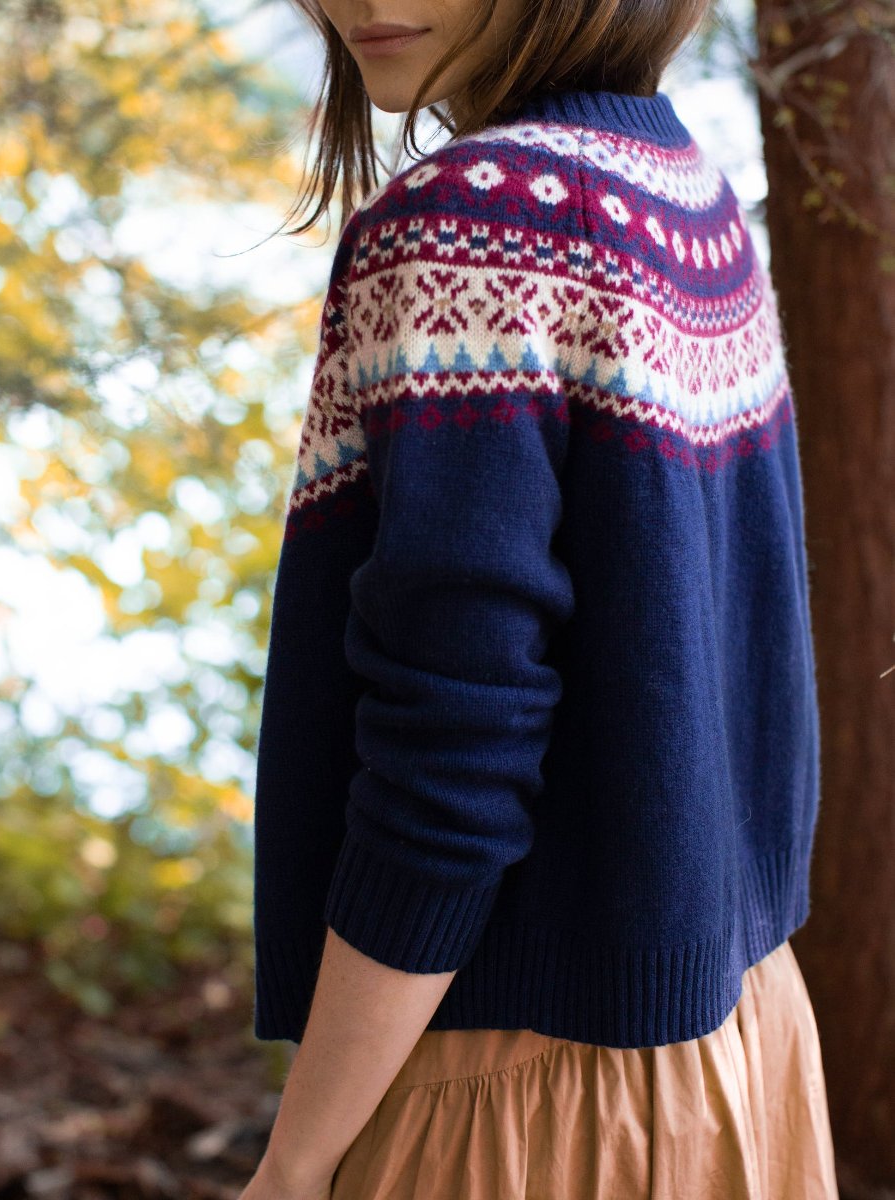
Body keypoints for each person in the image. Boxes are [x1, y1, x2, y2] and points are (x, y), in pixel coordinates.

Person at [239, 1, 840, 1197]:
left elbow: (451, 755)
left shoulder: (471, 221)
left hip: (520, 1101)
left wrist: (296, 1162)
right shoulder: (679, 185)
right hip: (738, 1043)